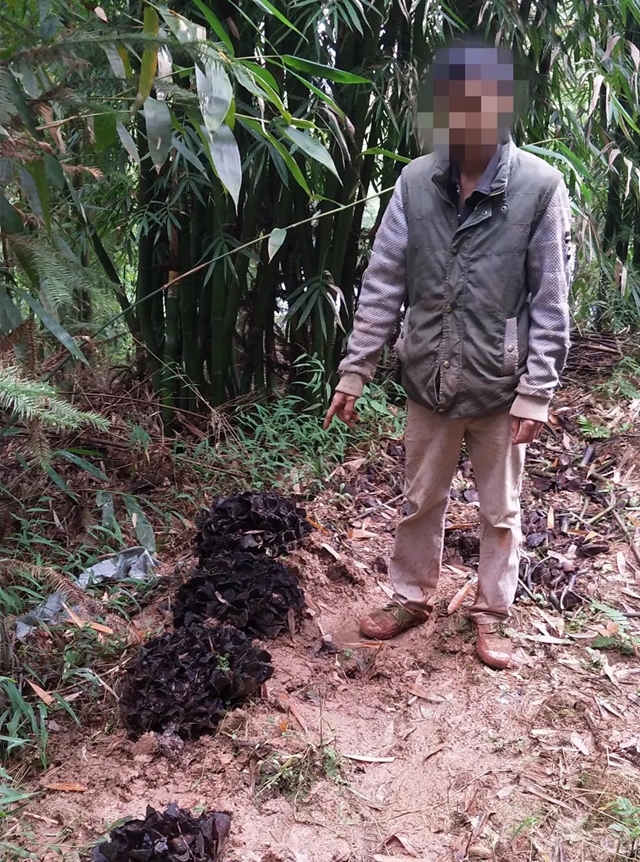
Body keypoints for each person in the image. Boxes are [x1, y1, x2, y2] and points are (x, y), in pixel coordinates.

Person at [323, 37, 572, 670]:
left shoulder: (540, 187)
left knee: (501, 510)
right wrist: (356, 371)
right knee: (419, 497)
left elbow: (550, 300)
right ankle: (411, 596)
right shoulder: (414, 182)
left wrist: (537, 391)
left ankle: (492, 615)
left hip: (499, 380)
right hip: (428, 376)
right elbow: (383, 282)